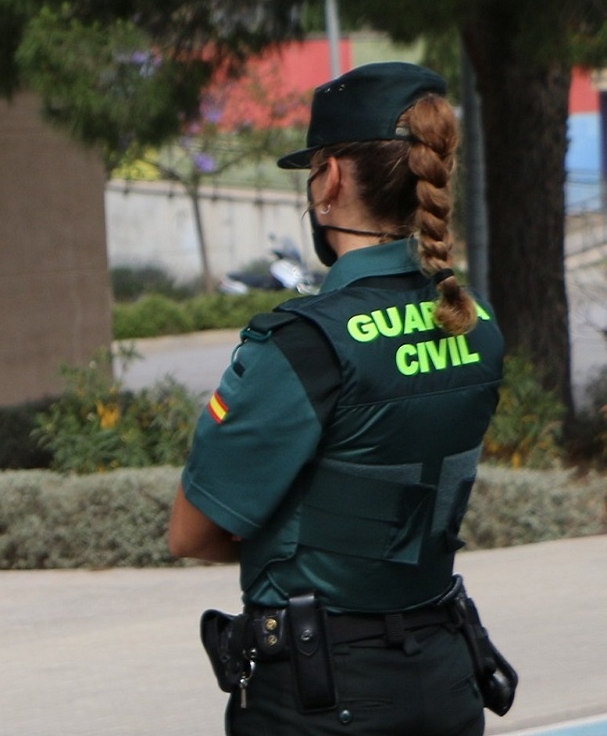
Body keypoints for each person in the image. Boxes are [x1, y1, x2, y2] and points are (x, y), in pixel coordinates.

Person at [167, 62, 515, 735]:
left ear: (330, 179)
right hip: (445, 678)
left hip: (322, 695)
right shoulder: (478, 323)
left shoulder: (302, 345)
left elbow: (194, 531)